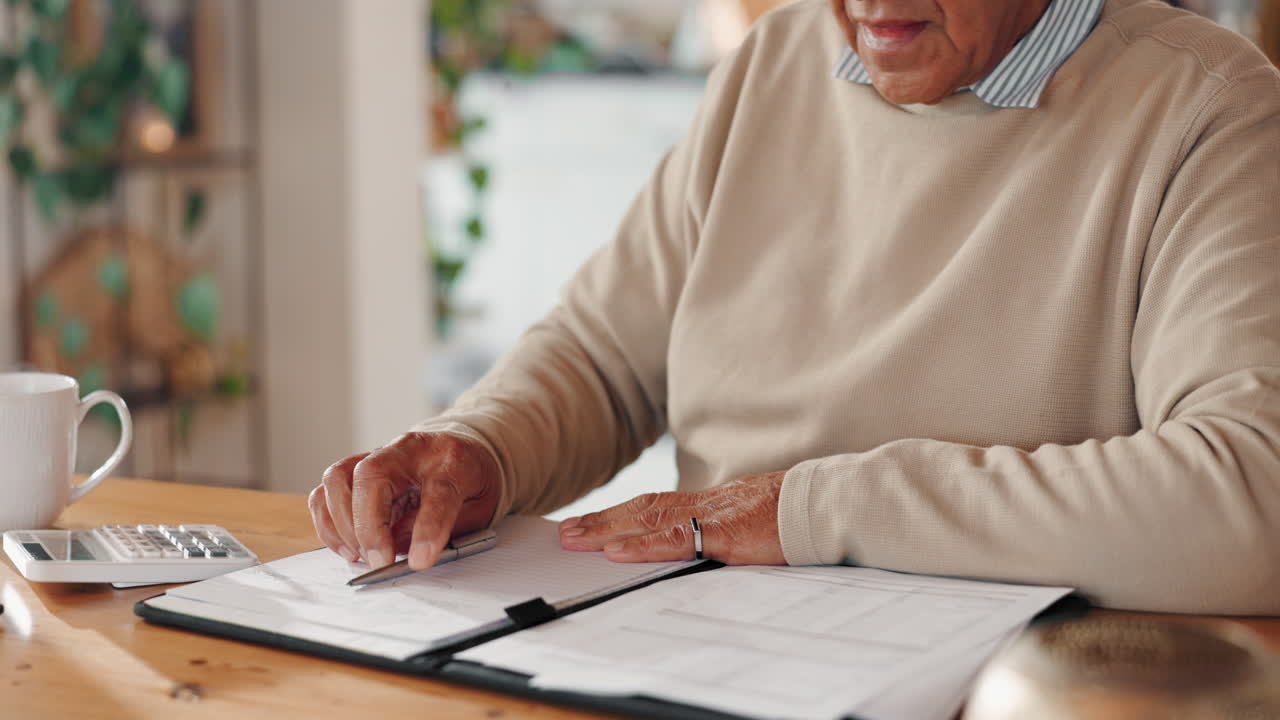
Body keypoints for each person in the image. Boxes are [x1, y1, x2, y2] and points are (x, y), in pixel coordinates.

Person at [311, 0, 1280, 614]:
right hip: (704, 650)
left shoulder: (1206, 108)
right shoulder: (775, 61)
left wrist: (809, 510)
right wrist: (481, 448)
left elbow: (1251, 500)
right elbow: (603, 359)